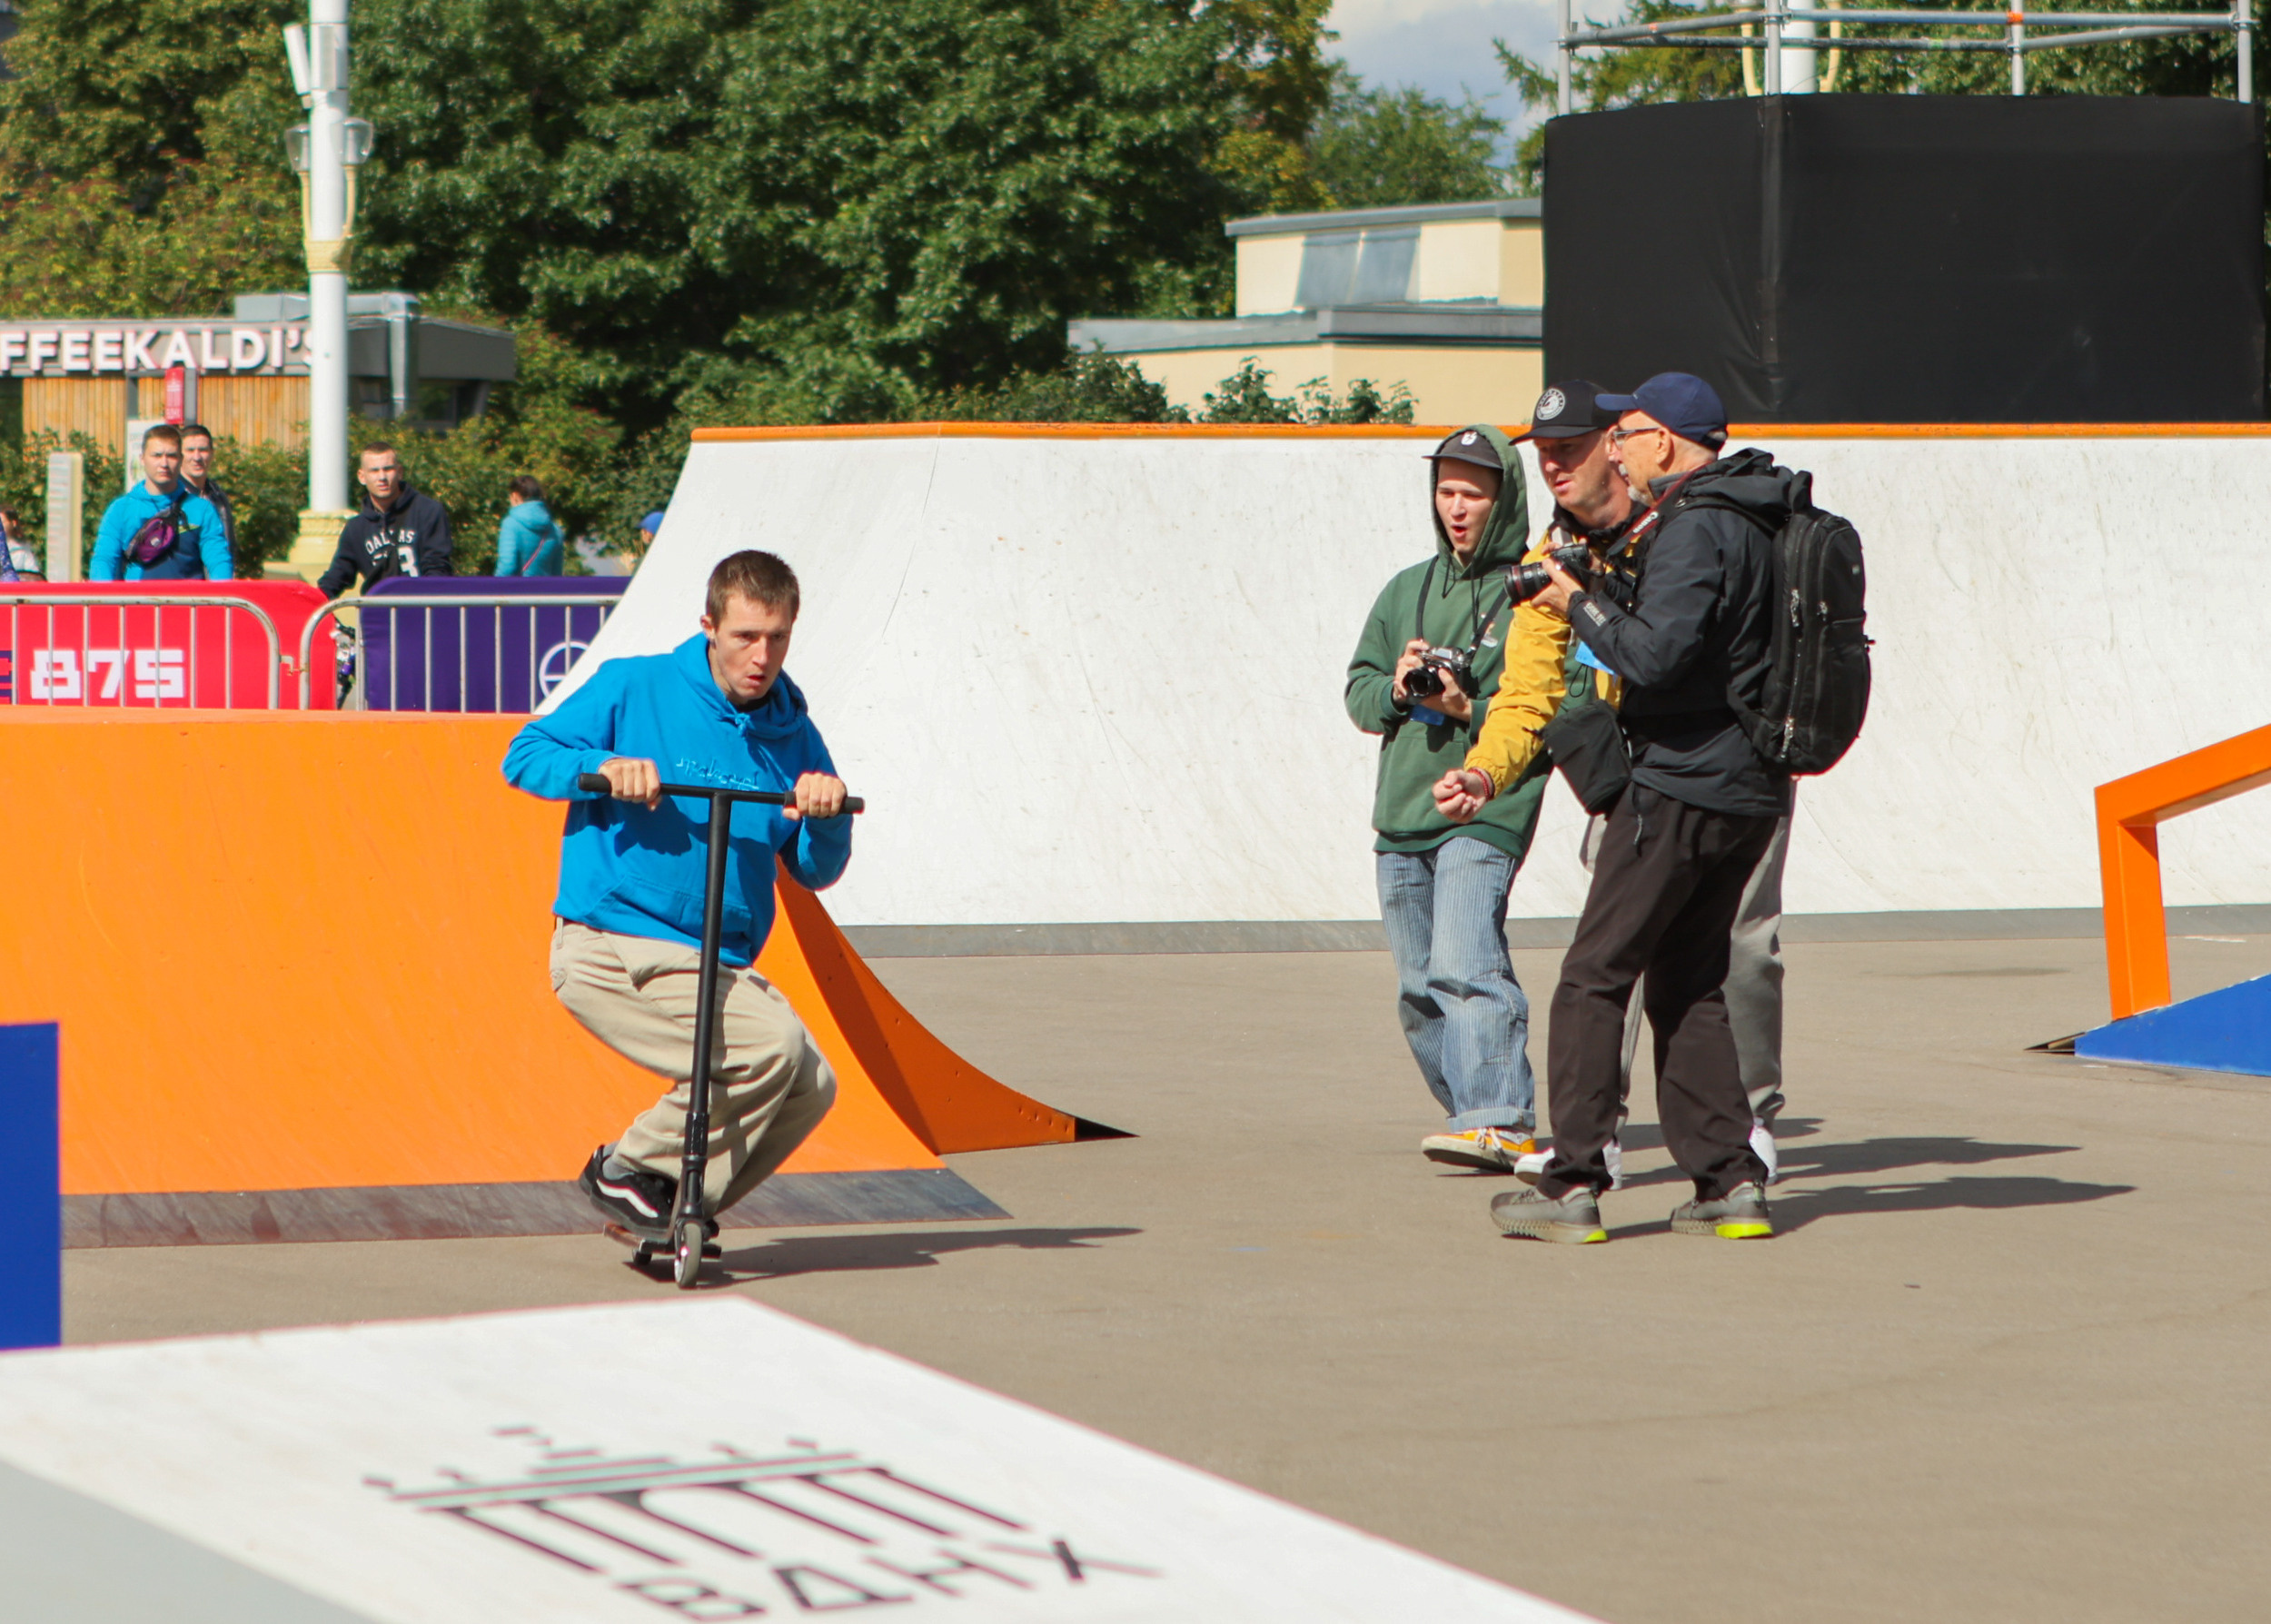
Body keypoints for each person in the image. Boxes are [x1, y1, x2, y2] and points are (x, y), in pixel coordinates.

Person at [1437, 383, 1795, 1189]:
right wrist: (1489, 768)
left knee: (1621, 972)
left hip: (1683, 784)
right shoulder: (1571, 549)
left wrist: (1586, 603)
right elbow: (1528, 690)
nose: (1556, 465)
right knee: (1684, 975)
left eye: (1579, 445)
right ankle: (1724, 1176)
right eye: (1543, 453)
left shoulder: (1688, 525)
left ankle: (1580, 1176)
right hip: (1681, 785)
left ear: (1634, 445)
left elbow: (1657, 654)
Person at [501, 549, 851, 1234]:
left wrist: (826, 815)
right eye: (746, 636)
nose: (762, 655)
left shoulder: (793, 734)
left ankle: (673, 1211)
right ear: (709, 626)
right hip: (616, 943)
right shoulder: (636, 687)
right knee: (772, 1046)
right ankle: (627, 1168)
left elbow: (814, 867)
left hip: (714, 959)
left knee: (813, 1086)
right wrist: (601, 766)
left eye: (777, 637)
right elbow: (526, 755)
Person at [1344, 425, 1550, 1173]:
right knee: (1418, 990)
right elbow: (1359, 696)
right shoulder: (1406, 590)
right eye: (1446, 491)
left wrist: (1468, 709)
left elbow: (1547, 713)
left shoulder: (1529, 591)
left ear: (1504, 500)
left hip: (1485, 809)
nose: (1457, 507)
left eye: (1474, 492)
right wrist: (1399, 690)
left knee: (1465, 963)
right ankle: (1473, 1114)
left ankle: (1500, 1116)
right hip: (1401, 819)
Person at [89, 423, 232, 581]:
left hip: (188, 604)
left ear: (181, 459)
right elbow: (104, 561)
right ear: (142, 459)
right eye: (156, 456)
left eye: (171, 456)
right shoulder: (120, 509)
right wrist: (103, 603)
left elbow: (219, 561)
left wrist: (222, 600)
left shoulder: (202, 509)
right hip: (137, 604)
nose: (164, 464)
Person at [316, 444, 455, 596]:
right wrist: (309, 606)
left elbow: (437, 568)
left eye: (388, 469)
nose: (382, 477)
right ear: (362, 477)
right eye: (374, 471)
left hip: (424, 612)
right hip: (378, 615)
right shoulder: (356, 528)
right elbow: (335, 579)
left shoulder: (428, 511)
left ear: (400, 472)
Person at [178, 423, 238, 575]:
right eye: (190, 450)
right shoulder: (170, 497)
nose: (197, 457)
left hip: (218, 586)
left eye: (203, 450)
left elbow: (227, 545)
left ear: (211, 453)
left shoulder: (218, 497)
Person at [496, 476, 565, 576]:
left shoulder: (511, 524)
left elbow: (507, 566)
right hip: (545, 590)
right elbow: (557, 573)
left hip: (518, 590)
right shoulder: (555, 529)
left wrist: (494, 588)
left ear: (515, 496)